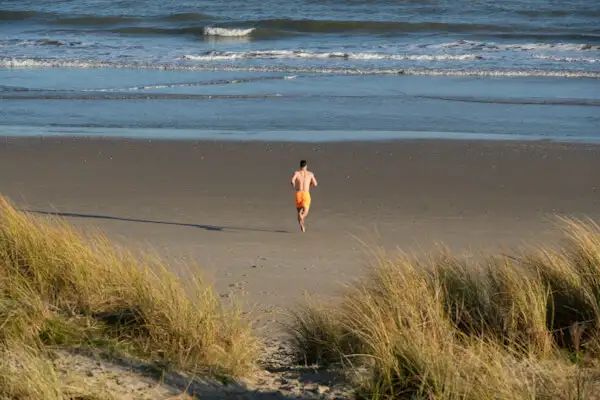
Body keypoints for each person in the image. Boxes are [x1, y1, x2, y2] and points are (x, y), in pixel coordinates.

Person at [290, 159, 318, 233]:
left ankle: (302, 225)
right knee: (305, 211)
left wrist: (293, 184)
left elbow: (292, 180)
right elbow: (315, 184)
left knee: (299, 211)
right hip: (306, 193)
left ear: (300, 166)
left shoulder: (296, 173)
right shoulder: (310, 174)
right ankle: (302, 216)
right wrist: (309, 185)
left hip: (298, 193)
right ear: (306, 166)